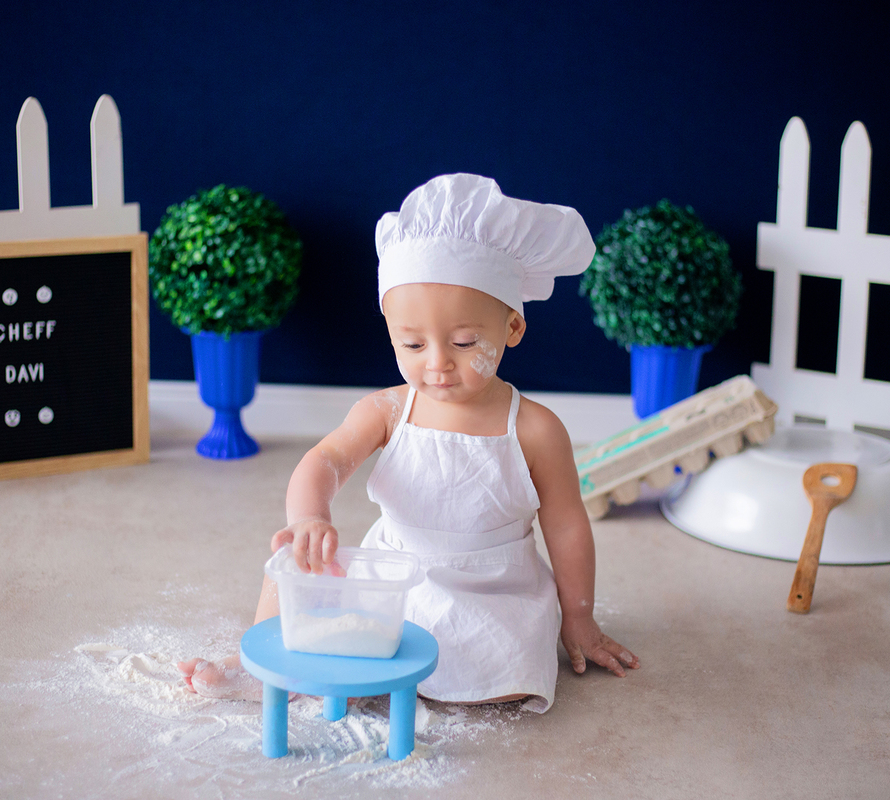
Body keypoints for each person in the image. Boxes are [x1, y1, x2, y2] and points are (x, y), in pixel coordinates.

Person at [179, 174, 639, 710]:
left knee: (502, 680)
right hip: (390, 573)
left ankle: (368, 671)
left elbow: (566, 523)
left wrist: (578, 617)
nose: (437, 362)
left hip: (490, 589)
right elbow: (324, 460)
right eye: (413, 343)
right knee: (290, 568)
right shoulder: (389, 410)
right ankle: (264, 668)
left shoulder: (535, 428)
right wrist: (309, 517)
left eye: (465, 342)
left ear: (512, 327)